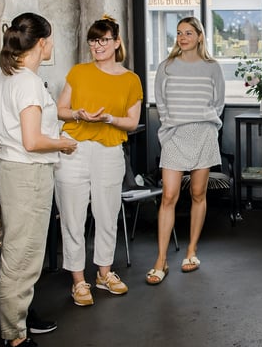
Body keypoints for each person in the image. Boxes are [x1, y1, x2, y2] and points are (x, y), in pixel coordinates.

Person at [0, 13, 77, 347]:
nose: (53, 44)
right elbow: (32, 140)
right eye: (51, 38)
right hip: (26, 173)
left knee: (26, 251)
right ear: (41, 43)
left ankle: (21, 314)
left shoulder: (13, 78)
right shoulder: (26, 82)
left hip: (22, 172)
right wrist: (63, 144)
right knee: (21, 255)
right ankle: (15, 341)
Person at [54, 16, 143, 306]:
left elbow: (132, 122)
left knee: (107, 216)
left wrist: (108, 118)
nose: (98, 45)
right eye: (93, 40)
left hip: (109, 152)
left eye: (104, 39)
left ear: (117, 42)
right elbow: (60, 109)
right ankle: (79, 281)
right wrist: (79, 114)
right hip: (74, 150)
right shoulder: (78, 72)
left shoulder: (131, 80)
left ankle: (104, 273)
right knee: (73, 217)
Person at [146, 16, 225, 285]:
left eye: (188, 33)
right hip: (175, 136)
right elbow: (161, 102)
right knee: (169, 196)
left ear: (200, 36)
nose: (182, 37)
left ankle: (191, 251)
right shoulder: (166, 67)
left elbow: (218, 103)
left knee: (198, 193)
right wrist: (169, 129)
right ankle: (161, 260)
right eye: (179, 33)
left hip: (203, 133)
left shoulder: (212, 68)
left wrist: (208, 126)